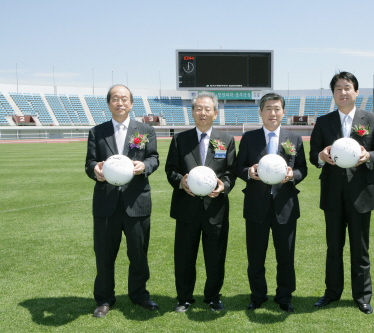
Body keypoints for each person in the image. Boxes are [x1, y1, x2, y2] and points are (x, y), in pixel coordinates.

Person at [309, 72, 374, 314]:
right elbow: (313, 155)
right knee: (334, 248)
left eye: (347, 87)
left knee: (360, 248)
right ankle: (332, 293)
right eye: (338, 89)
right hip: (333, 193)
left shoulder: (372, 119)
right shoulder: (323, 122)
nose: (343, 92)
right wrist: (321, 157)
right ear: (333, 94)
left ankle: (362, 296)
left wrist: (368, 157)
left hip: (361, 194)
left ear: (356, 92)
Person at [85, 84, 160, 317]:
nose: (120, 102)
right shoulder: (97, 132)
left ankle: (139, 295)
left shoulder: (145, 130)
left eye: (124, 99)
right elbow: (89, 163)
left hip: (136, 202)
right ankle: (105, 299)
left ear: (131, 103)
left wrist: (144, 166)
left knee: (138, 253)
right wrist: (95, 169)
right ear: (109, 103)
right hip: (106, 204)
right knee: (105, 254)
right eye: (115, 99)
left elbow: (154, 158)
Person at [236, 92, 308, 313]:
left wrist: (291, 175)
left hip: (285, 206)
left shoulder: (293, 138)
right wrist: (249, 171)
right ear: (261, 112)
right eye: (268, 108)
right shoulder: (249, 138)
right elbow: (238, 168)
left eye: (277, 108)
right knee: (256, 257)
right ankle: (257, 296)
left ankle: (284, 297)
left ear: (283, 112)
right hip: (256, 206)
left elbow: (302, 169)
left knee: (285, 257)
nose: (272, 113)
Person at [166, 92, 236, 312]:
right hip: (186, 208)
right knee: (185, 256)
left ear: (215, 113)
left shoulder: (226, 140)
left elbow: (231, 172)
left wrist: (224, 185)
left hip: (215, 209)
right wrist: (182, 181)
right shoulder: (180, 139)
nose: (202, 113)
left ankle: (213, 297)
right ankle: (184, 298)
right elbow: (171, 170)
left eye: (207, 109)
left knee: (215, 257)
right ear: (192, 112)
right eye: (198, 108)